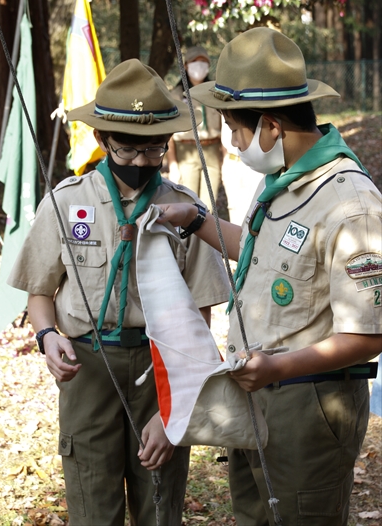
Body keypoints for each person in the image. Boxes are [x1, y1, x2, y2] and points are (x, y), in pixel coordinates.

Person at [153, 28, 382, 526]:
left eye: (236, 129)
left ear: (273, 126)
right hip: (256, 393)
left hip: (310, 405)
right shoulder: (279, 181)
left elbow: (368, 336)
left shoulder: (350, 203)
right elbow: (261, 253)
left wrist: (278, 369)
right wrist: (195, 220)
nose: (233, 144)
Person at [7, 59, 230, 526]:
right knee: (92, 500)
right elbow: (40, 289)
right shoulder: (67, 202)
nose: (140, 164)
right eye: (126, 151)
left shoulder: (186, 211)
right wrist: (48, 336)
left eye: (154, 151)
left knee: (159, 499)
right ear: (101, 140)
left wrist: (176, 407)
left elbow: (202, 313)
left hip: (159, 366)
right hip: (88, 369)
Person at [167, 45, 223, 210]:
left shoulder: (215, 93)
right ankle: (188, 237)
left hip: (212, 150)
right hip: (186, 151)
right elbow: (169, 133)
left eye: (203, 62)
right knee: (188, 204)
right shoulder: (175, 95)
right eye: (194, 62)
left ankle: (207, 237)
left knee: (209, 206)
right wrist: (173, 163)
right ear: (185, 66)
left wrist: (223, 157)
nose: (199, 66)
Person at [221, 118, 263, 225]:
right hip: (231, 161)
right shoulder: (224, 111)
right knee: (233, 207)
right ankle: (238, 240)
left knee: (254, 206)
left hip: (252, 162)